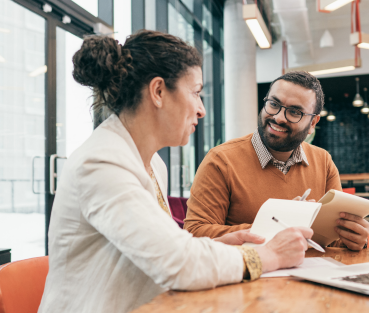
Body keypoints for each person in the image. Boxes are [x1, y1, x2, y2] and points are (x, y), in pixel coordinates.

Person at [38, 31, 314, 313]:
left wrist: (223, 247)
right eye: (195, 93)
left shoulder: (153, 163)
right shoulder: (100, 163)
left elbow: (158, 249)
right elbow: (177, 264)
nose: (202, 109)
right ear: (158, 92)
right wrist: (267, 255)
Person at [184, 71, 369, 251]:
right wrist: (278, 225)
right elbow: (195, 233)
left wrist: (353, 238)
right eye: (274, 104)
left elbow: (331, 240)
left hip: (313, 276)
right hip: (252, 278)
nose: (279, 117)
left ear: (313, 123)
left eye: (295, 112)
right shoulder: (220, 160)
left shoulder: (323, 161)